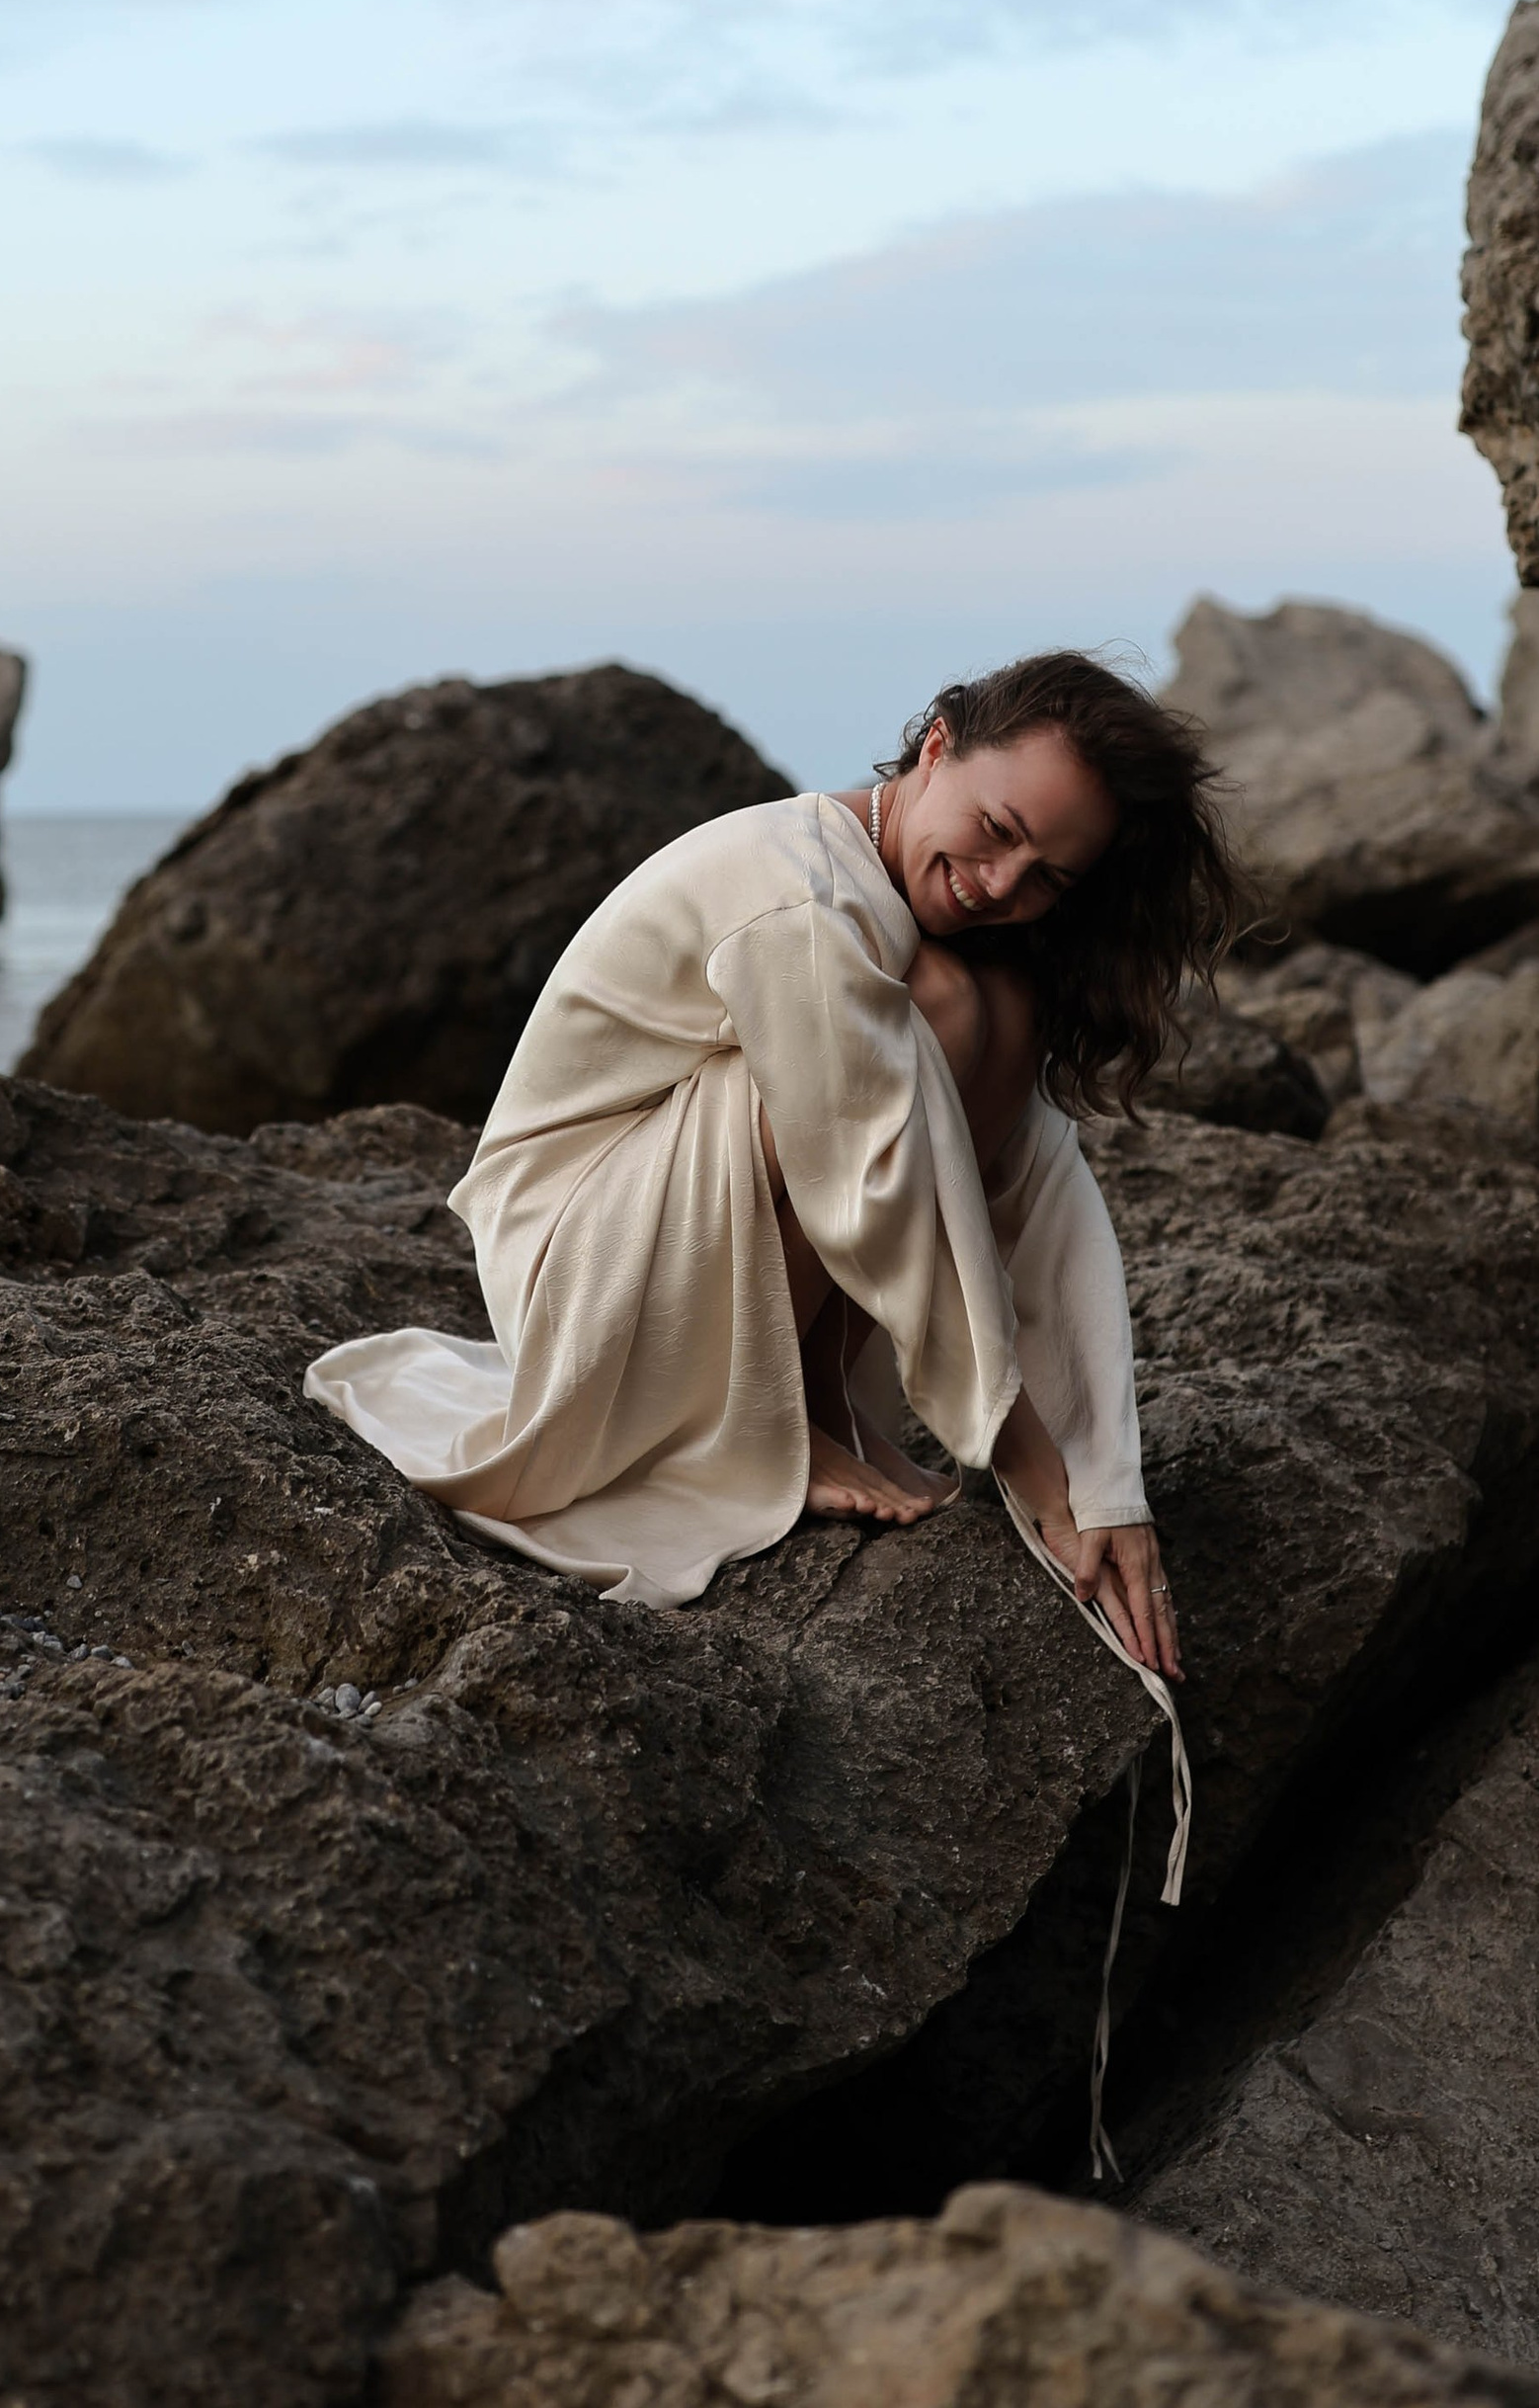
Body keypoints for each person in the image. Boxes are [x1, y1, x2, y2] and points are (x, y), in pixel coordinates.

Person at [305, 650, 1244, 1676]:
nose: (1000, 883)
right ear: (937, 748)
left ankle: (813, 1397)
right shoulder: (800, 896)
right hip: (575, 1260)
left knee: (995, 1007)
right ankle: (762, 1421)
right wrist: (1034, 1469)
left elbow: (1038, 1197)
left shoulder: (935, 930)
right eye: (997, 829)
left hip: (678, 1238)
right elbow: (870, 1189)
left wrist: (1104, 1484)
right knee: (923, 1020)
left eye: (1048, 877)